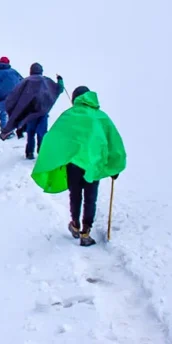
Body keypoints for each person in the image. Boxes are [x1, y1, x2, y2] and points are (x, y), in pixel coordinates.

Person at [31, 86, 126, 247]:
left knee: (75, 195)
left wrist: (57, 156)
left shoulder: (69, 115)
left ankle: (75, 225)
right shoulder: (101, 117)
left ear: (75, 98)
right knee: (90, 198)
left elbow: (54, 136)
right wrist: (114, 168)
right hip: (93, 165)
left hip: (73, 164)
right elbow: (113, 143)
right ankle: (86, 232)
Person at [0, 63, 65, 159]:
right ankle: (41, 153)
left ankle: (29, 153)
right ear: (41, 71)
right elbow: (59, 89)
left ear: (31, 70)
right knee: (41, 133)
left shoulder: (26, 81)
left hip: (30, 114)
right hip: (43, 113)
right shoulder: (46, 81)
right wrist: (60, 80)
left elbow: (14, 95)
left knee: (31, 133)